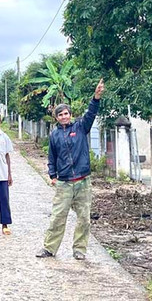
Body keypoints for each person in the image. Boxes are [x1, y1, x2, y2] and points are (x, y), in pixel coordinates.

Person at [36, 78, 105, 260]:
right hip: (64, 183)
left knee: (84, 218)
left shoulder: (81, 127)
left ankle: (79, 251)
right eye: (60, 115)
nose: (64, 117)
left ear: (70, 114)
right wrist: (52, 175)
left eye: (66, 113)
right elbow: (52, 157)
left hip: (83, 181)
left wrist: (96, 97)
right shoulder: (55, 135)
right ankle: (49, 248)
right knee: (58, 217)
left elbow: (91, 113)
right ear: (57, 118)